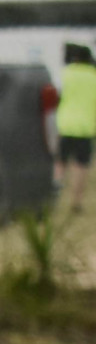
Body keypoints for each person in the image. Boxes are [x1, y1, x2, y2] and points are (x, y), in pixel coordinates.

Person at [57, 41, 96, 217]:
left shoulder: (66, 73)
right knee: (81, 165)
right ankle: (76, 201)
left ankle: (55, 195)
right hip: (86, 127)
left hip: (65, 124)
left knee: (60, 162)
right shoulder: (94, 76)